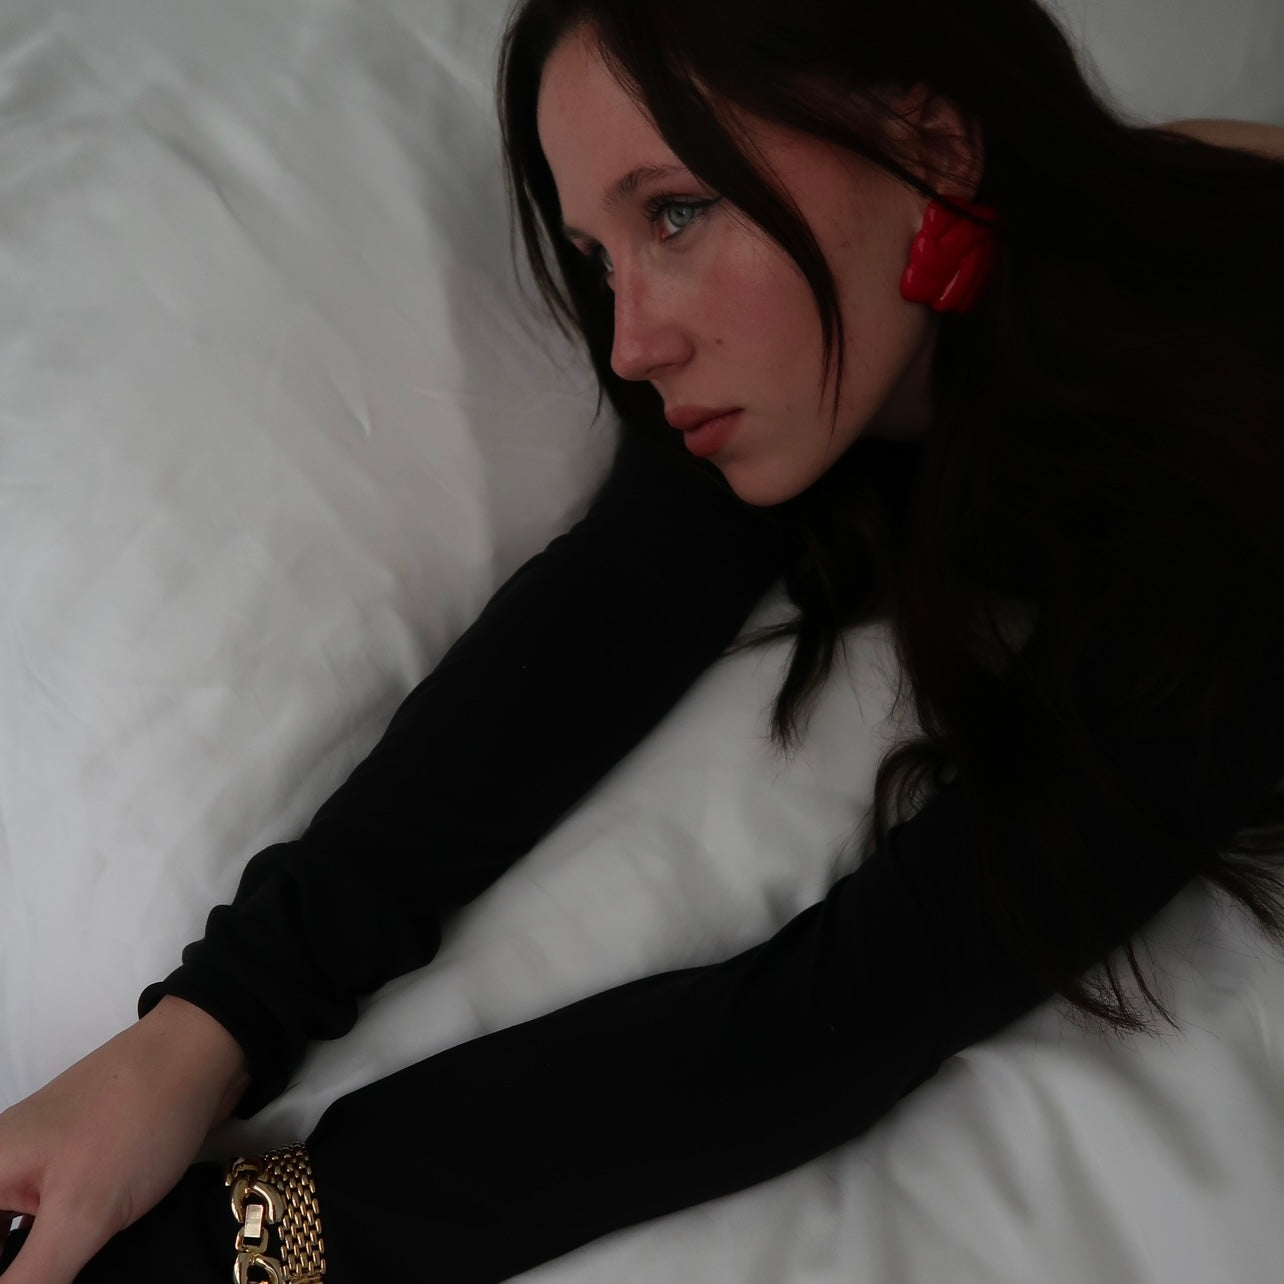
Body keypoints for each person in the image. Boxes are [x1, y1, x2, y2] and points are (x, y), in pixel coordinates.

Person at [2, 1, 1283, 1280]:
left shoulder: (1232, 464)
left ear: (937, 146)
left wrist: (225, 1247)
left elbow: (831, 1024)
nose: (630, 342)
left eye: (675, 214)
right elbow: (607, 615)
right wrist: (191, 1037)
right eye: (603, 260)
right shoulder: (865, 348)